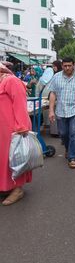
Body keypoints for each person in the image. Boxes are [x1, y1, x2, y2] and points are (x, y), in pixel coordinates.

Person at [48, 57, 75, 169]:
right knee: (63, 133)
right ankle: (68, 148)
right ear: (62, 66)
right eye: (65, 66)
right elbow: (53, 94)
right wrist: (51, 110)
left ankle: (72, 157)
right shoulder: (56, 77)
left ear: (74, 65)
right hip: (61, 110)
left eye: (69, 65)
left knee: (74, 133)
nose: (67, 68)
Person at [0, 64, 32, 205]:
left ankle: (17, 189)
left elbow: (20, 104)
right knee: (3, 160)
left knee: (15, 159)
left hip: (12, 129)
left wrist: (22, 127)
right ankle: (6, 187)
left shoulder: (11, 80)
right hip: (2, 129)